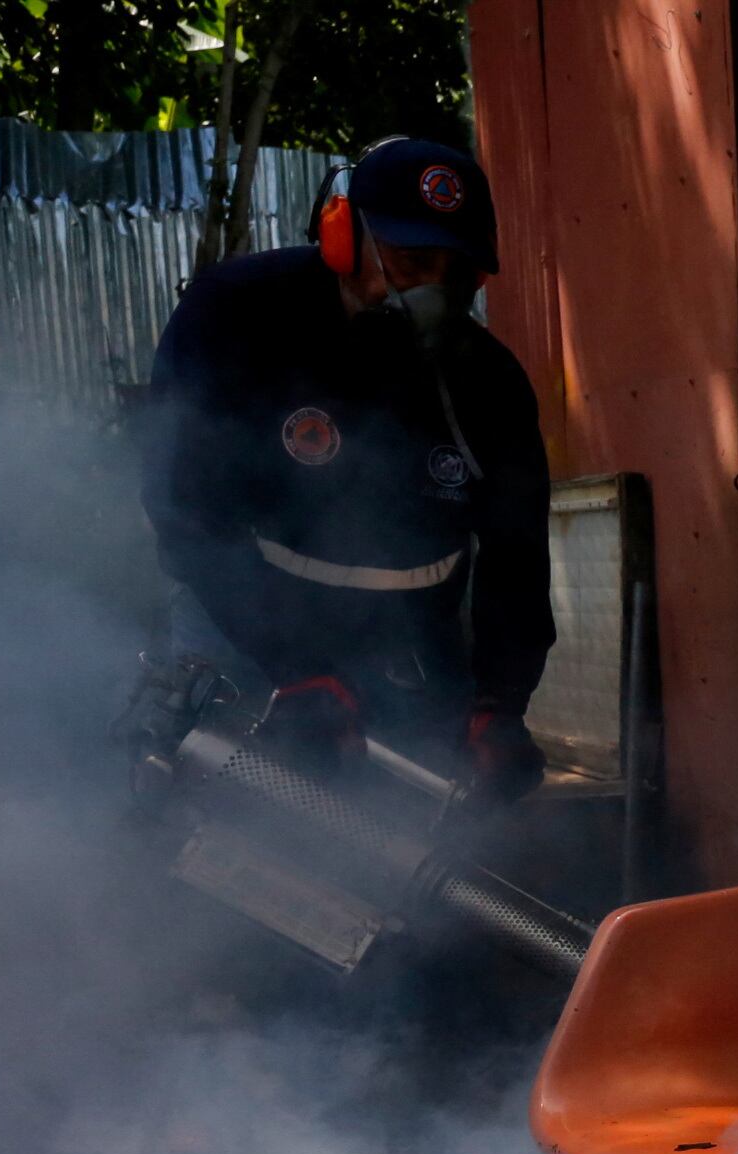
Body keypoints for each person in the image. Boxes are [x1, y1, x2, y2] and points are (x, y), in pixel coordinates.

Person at [132, 136, 553, 803]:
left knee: (412, 823)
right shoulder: (235, 316)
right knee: (217, 805)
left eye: (457, 274)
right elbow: (185, 512)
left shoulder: (490, 383)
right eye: (413, 262)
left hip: (409, 634)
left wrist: (499, 703)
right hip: (241, 611)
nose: (431, 290)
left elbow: (516, 562)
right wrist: (294, 670)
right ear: (340, 235)